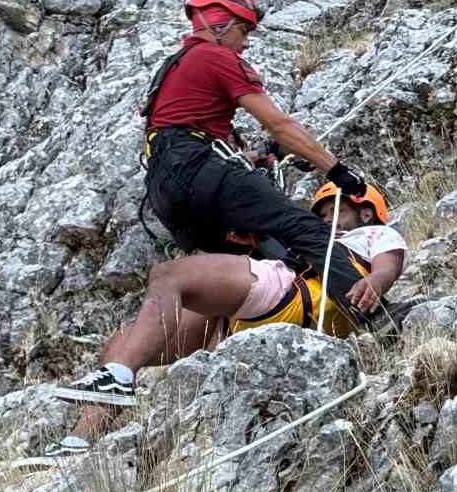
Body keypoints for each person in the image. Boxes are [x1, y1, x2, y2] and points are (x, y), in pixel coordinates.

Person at [36, 183, 407, 459]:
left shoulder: (373, 234)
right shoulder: (304, 239)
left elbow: (388, 262)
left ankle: (116, 381)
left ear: (366, 212)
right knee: (124, 342)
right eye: (320, 215)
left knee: (168, 276)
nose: (325, 218)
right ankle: (79, 441)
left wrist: (376, 281)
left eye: (335, 210)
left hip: (288, 292)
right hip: (241, 321)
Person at [128, 0, 372, 357]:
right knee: (301, 228)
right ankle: (376, 320)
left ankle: (268, 341)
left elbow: (194, 136)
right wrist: (335, 168)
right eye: (243, 29)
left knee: (254, 261)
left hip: (167, 193)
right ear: (217, 23)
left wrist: (258, 158)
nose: (246, 41)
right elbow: (279, 123)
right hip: (197, 168)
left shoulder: (175, 69)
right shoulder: (216, 56)